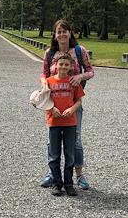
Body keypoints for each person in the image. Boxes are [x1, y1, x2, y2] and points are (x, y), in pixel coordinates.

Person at [39, 19, 95, 190]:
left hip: (72, 102)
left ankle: (79, 175)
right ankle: (53, 174)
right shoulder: (50, 53)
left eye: (65, 31)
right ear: (55, 35)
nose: (62, 34)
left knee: (75, 139)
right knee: (52, 140)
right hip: (53, 102)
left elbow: (90, 71)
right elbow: (44, 73)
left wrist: (80, 76)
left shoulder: (79, 51)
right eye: (59, 32)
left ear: (70, 33)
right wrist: (44, 83)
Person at [45, 52, 84, 196]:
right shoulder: (49, 81)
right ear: (56, 65)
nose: (63, 67)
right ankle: (57, 183)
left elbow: (79, 101)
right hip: (54, 122)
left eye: (66, 65)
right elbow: (44, 100)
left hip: (70, 122)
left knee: (70, 154)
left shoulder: (73, 82)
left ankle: (68, 184)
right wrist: (51, 108)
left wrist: (72, 109)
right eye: (61, 64)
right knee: (54, 155)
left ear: (71, 66)